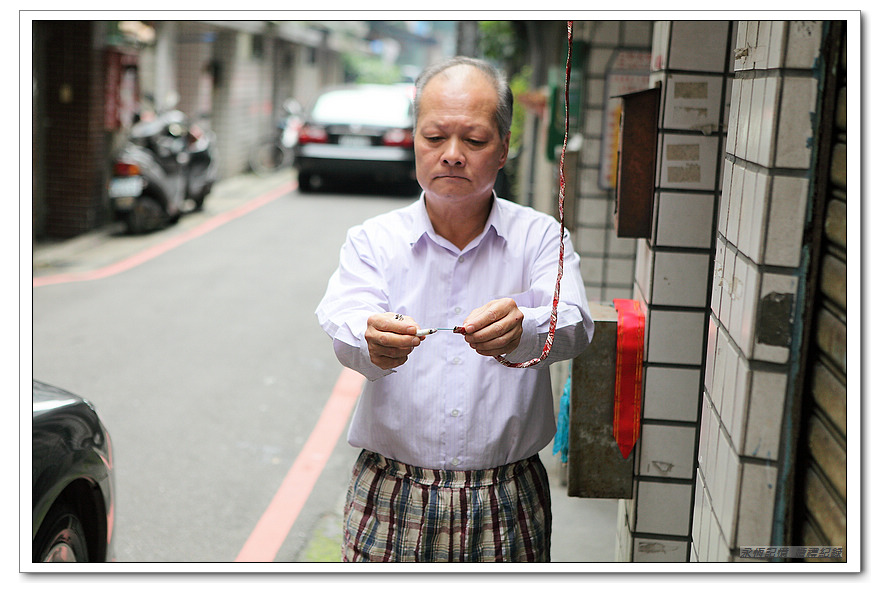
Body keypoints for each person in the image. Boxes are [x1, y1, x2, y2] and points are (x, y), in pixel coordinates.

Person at [315, 56, 594, 562]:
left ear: (505, 147)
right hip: (392, 487)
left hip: (506, 493)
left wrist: (525, 328)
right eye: (435, 136)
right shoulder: (373, 240)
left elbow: (574, 321)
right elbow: (345, 316)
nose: (452, 155)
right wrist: (371, 339)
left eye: (474, 140)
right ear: (414, 139)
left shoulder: (540, 237)